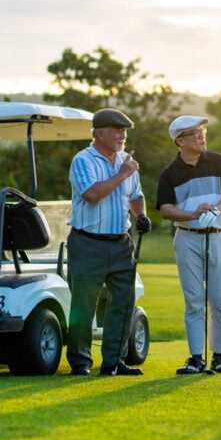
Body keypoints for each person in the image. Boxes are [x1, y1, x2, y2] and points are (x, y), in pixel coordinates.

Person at [65, 108, 152, 376]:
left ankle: (114, 361)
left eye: (124, 131)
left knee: (123, 303)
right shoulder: (83, 160)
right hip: (87, 242)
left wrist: (141, 215)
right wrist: (122, 174)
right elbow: (92, 194)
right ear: (99, 133)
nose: (122, 135)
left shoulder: (126, 161)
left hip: (121, 242)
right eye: (117, 130)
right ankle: (80, 362)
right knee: (84, 304)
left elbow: (135, 195)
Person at [156, 115, 221, 374]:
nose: (202, 135)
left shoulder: (217, 161)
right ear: (180, 141)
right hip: (187, 238)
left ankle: (220, 356)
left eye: (202, 130)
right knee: (194, 300)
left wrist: (215, 210)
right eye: (195, 132)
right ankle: (195, 357)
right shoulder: (170, 173)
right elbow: (166, 209)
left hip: (219, 235)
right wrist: (193, 215)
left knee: (220, 300)